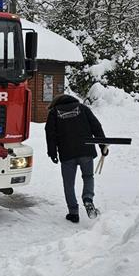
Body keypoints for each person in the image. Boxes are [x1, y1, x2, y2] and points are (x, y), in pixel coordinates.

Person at [45, 94, 108, 223]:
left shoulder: (54, 112)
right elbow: (96, 126)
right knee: (88, 177)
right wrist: (103, 146)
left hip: (67, 153)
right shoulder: (83, 108)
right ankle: (88, 199)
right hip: (86, 150)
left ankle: (73, 213)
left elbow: (50, 133)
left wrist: (52, 153)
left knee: (69, 184)